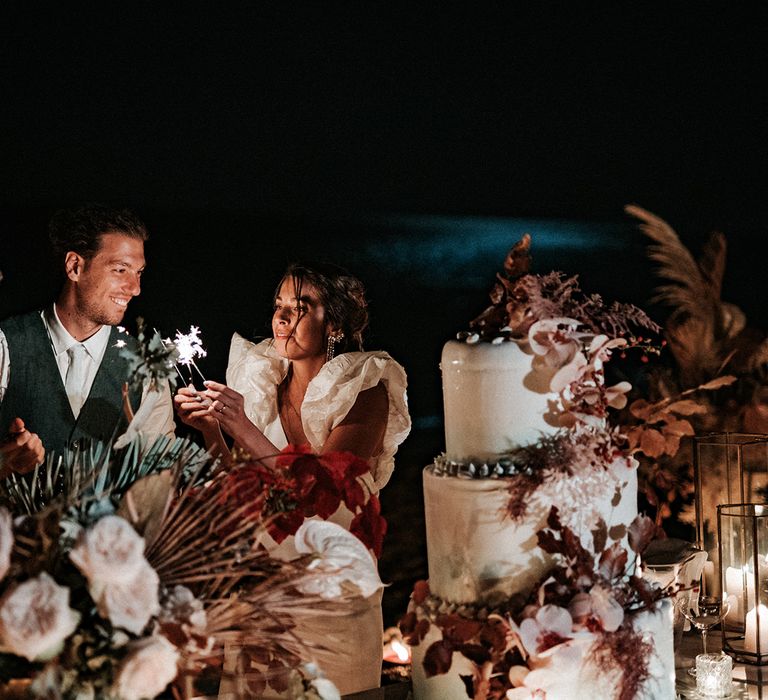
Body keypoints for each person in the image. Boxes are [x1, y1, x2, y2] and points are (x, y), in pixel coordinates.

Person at [175, 261, 411, 696]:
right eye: (279, 305)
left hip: (335, 583)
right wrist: (211, 431)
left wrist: (241, 426)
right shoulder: (262, 378)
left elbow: (328, 491)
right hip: (267, 578)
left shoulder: (366, 385)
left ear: (334, 323)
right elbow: (241, 484)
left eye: (301, 307)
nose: (283, 318)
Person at [0, 203, 176, 479]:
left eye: (138, 272)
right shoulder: (5, 345)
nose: (135, 288)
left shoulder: (148, 369)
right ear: (75, 267)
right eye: (120, 270)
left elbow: (159, 477)